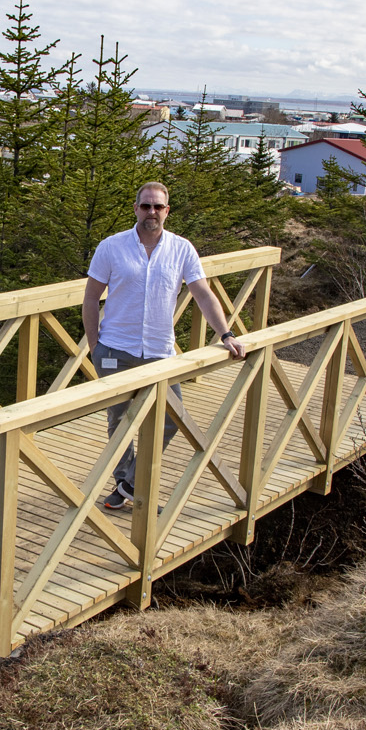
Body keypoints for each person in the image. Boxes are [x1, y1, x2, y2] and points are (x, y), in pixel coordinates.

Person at [82, 181, 246, 511]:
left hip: (160, 353)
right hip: (115, 350)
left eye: (158, 207)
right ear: (136, 208)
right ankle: (129, 485)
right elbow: (89, 297)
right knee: (118, 423)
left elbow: (202, 294)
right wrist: (94, 346)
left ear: (167, 211)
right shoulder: (111, 247)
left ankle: (130, 484)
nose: (151, 212)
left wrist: (226, 334)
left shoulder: (182, 249)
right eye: (146, 206)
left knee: (172, 420)